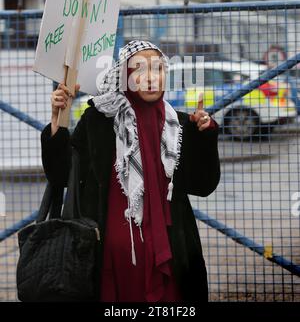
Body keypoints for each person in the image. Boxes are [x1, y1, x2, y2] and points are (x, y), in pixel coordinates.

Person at [41, 40, 220, 303]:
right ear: (124, 76)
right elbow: (61, 175)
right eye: (139, 69)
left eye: (157, 69)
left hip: (172, 254)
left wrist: (205, 136)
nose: (150, 78)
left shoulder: (180, 126)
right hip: (110, 255)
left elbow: (203, 186)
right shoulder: (98, 121)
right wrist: (57, 122)